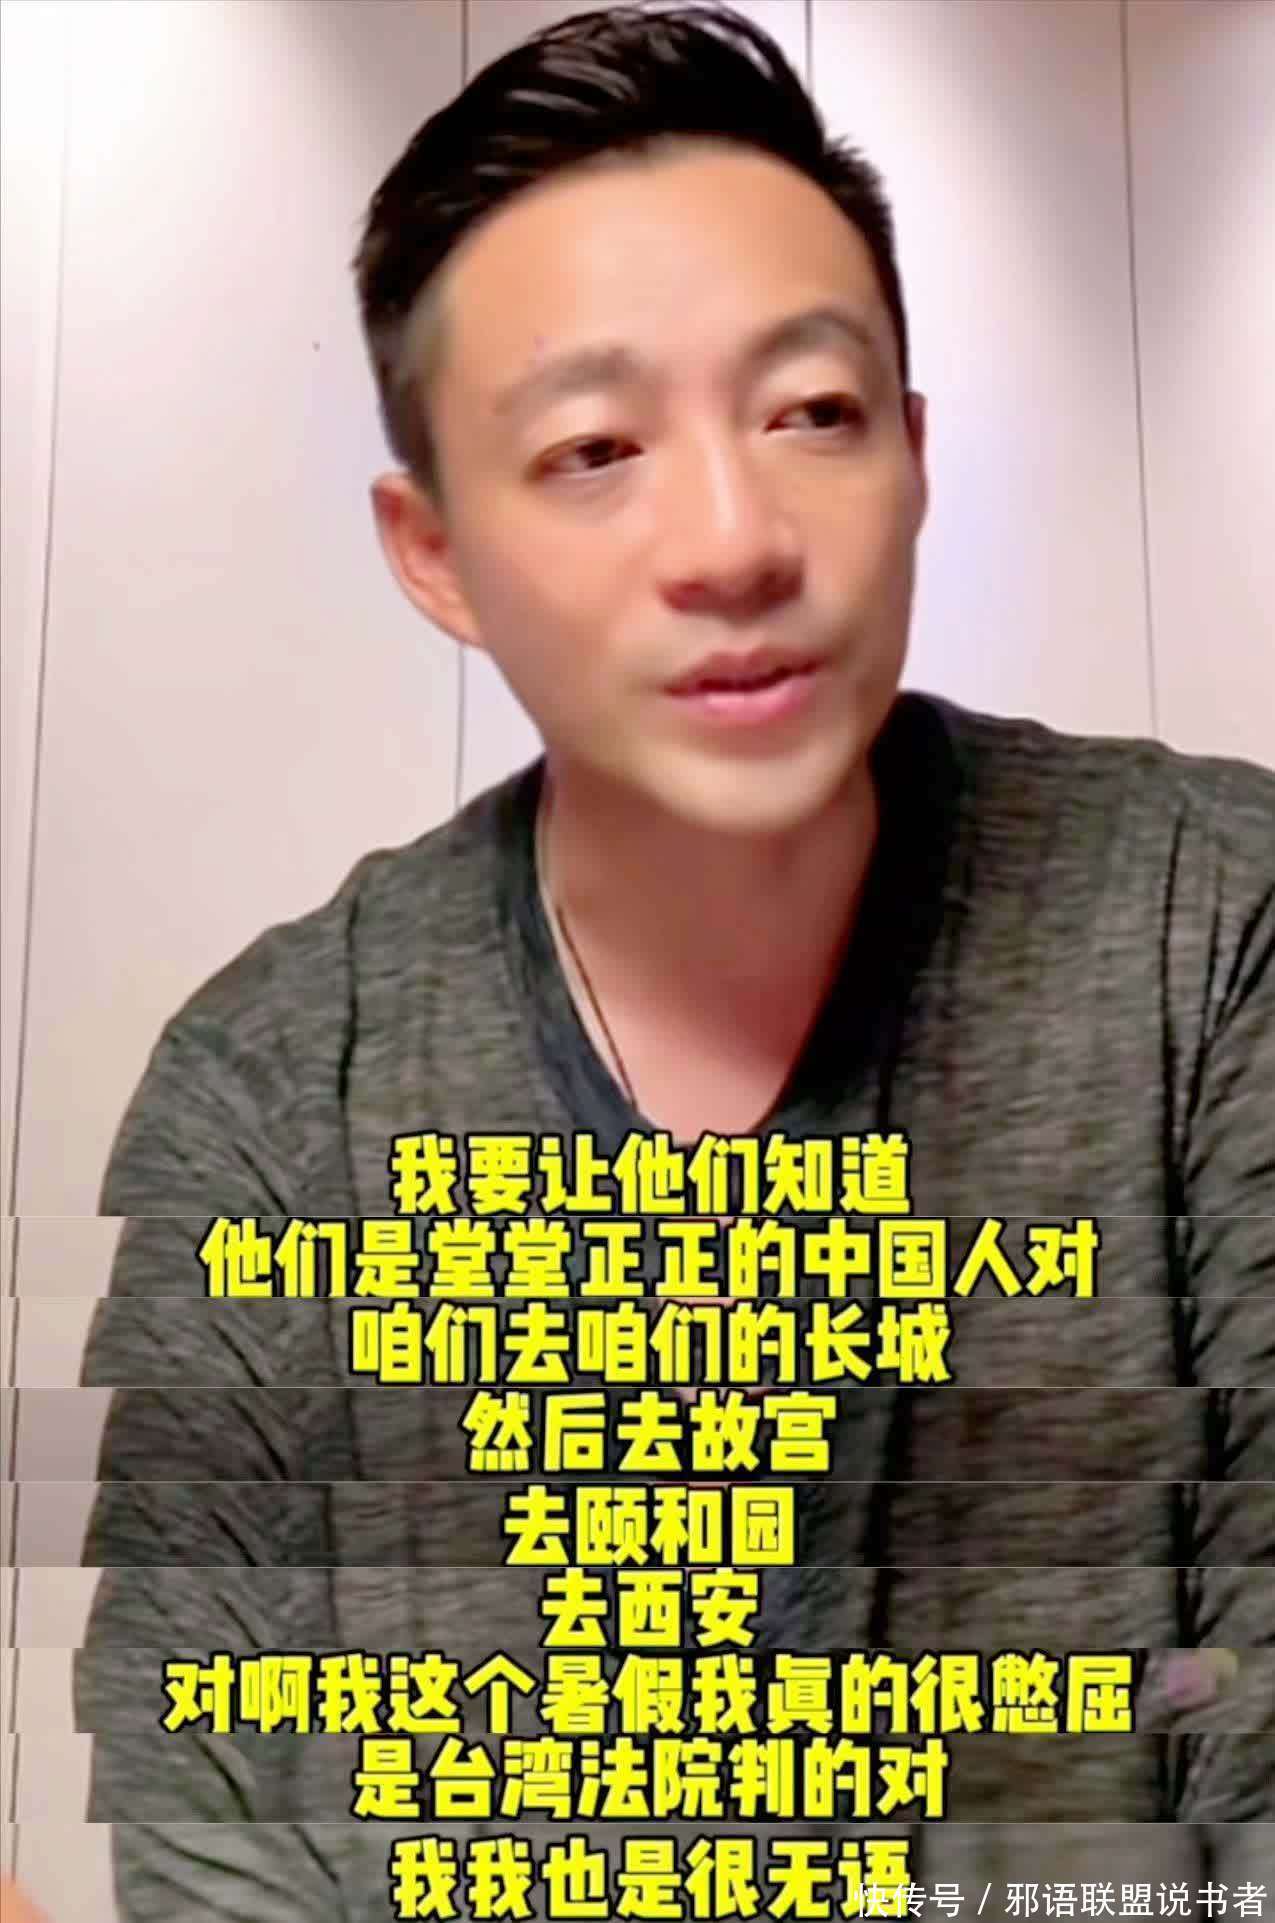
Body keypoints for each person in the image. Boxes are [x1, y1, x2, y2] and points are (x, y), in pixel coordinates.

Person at [76, 5, 1273, 1919]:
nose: (733, 540)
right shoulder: (276, 1088)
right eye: (593, 448)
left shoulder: (1212, 934)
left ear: (917, 455)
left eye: (814, 413)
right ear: (434, 553)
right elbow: (212, 1822)